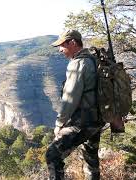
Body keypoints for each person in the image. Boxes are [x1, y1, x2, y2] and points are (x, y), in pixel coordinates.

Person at [45, 30, 105, 180]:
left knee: (52, 155)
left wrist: (59, 124)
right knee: (91, 158)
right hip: (97, 118)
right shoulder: (93, 59)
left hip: (84, 121)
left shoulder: (77, 64)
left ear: (72, 43)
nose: (60, 49)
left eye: (62, 45)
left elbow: (70, 99)